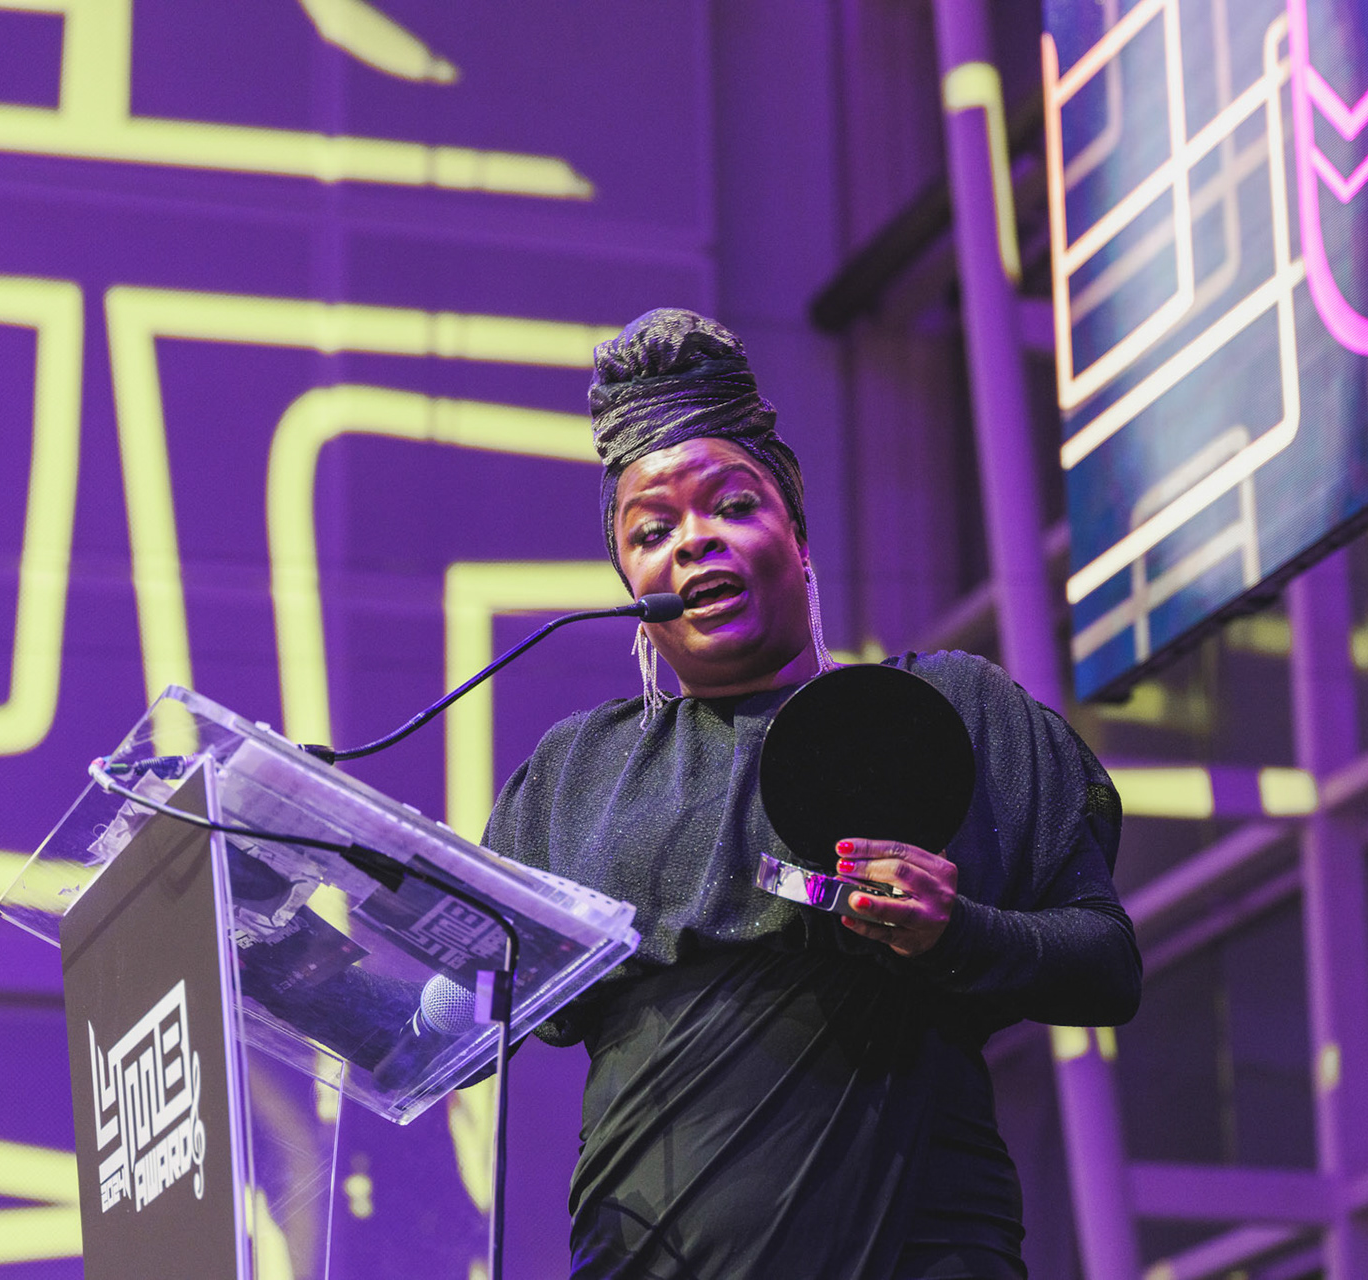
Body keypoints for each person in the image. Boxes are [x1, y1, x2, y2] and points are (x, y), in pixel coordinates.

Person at [484, 308, 1141, 1280]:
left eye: (731, 505)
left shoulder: (944, 711)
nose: (692, 543)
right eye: (653, 529)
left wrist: (955, 932)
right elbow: (463, 999)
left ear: (795, 532)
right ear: (630, 580)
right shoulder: (576, 773)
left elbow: (1107, 966)